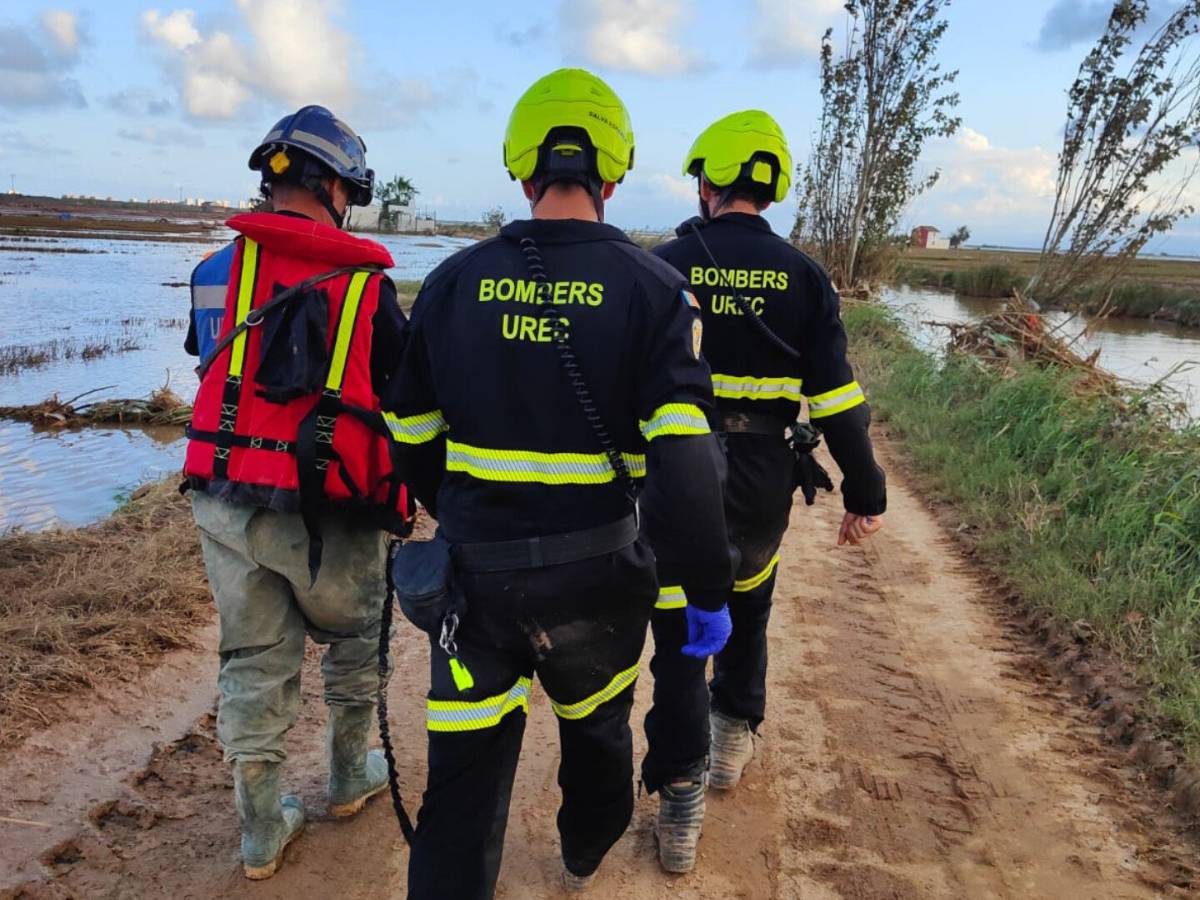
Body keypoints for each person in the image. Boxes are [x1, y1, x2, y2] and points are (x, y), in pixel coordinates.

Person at [388, 68, 734, 898]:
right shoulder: (658, 290)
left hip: (474, 584)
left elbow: (409, 438)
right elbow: (686, 465)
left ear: (521, 167)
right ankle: (582, 855)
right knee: (598, 736)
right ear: (613, 174)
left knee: (462, 776)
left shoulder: (452, 282)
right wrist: (709, 591)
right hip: (598, 587)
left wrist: (465, 512)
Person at [643, 110, 887, 863]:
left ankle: (680, 795)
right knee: (748, 605)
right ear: (773, 187)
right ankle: (733, 736)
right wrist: (865, 489)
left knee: (682, 631)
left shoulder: (659, 265)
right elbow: (838, 398)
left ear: (706, 181)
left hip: (672, 477)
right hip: (758, 480)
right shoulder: (806, 277)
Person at [182, 105, 413, 880]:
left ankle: (260, 830)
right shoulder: (368, 288)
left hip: (222, 498)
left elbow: (208, 361)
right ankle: (350, 776)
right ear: (339, 188)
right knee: (355, 638)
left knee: (251, 655)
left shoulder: (213, 272)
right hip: (328, 509)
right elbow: (397, 397)